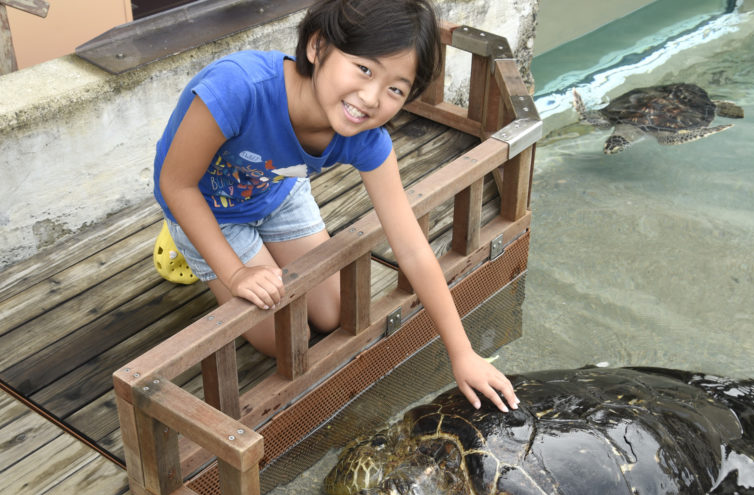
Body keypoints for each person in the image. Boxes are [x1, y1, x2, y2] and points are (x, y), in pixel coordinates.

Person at [154, 0, 518, 412]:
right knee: (281, 339)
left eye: (395, 89)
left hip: (276, 189)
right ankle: (184, 238)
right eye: (364, 68)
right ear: (317, 46)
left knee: (330, 315)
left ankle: (251, 245)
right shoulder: (239, 88)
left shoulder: (367, 138)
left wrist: (463, 353)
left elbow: (412, 246)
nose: (370, 98)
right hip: (206, 205)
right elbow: (176, 183)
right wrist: (236, 273)